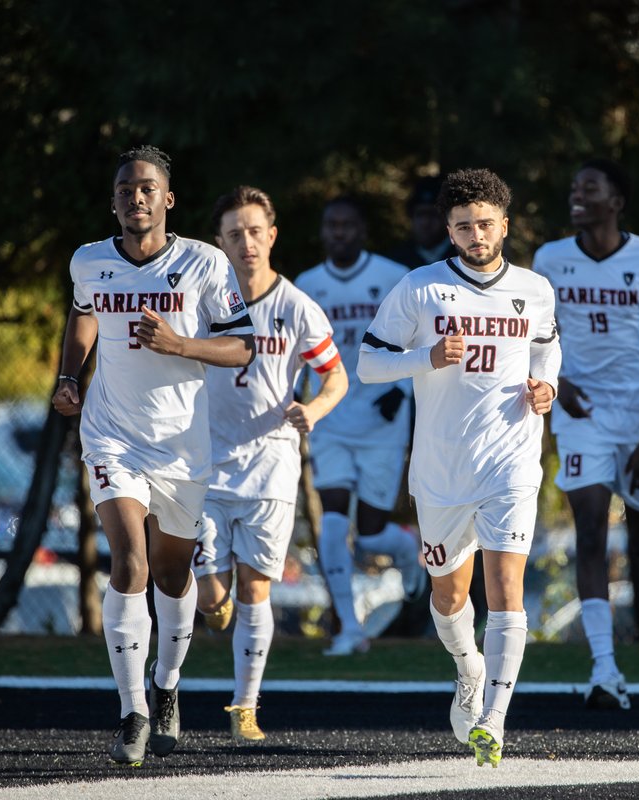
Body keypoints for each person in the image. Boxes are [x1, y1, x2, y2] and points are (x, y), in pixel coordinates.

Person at [51, 146, 254, 765]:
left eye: (146, 189)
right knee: (130, 562)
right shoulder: (90, 261)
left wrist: (179, 344)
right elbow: (83, 316)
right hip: (111, 434)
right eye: (124, 190)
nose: (134, 198)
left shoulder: (204, 262)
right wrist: (69, 376)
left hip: (181, 445)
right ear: (113, 201)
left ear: (168, 198)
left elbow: (243, 347)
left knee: (171, 574)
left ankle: (167, 685)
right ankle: (132, 710)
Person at [359, 167, 560, 768]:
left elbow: (547, 344)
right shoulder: (420, 288)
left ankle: (494, 719)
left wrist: (546, 385)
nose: (477, 235)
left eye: (486, 224)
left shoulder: (534, 289)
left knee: (506, 589)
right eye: (464, 226)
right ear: (449, 231)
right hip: (442, 469)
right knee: (448, 597)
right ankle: (468, 666)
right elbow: (368, 364)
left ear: (506, 225)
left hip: (512, 460)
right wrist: (425, 356)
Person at [193, 185, 348, 741]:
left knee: (256, 587)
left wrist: (315, 409)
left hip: (271, 468)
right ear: (219, 242)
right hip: (206, 464)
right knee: (212, 599)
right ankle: (212, 612)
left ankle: (245, 707)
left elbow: (335, 376)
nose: (247, 243)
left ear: (272, 235)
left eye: (255, 231)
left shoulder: (296, 306)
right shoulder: (202, 301)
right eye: (235, 233)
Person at [532, 158, 639, 710]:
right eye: (575, 188)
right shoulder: (549, 259)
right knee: (591, 531)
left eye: (590, 189)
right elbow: (534, 337)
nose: (577, 196)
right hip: (581, 416)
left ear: (617, 202)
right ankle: (604, 668)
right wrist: (557, 382)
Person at [295, 196, 422, 656]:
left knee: (369, 534)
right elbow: (296, 350)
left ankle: (407, 551)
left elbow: (422, 335)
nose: (339, 233)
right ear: (323, 233)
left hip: (382, 422)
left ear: (363, 231)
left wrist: (402, 388)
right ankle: (350, 627)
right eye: (332, 225)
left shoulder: (394, 277)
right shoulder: (307, 285)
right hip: (330, 417)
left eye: (347, 225)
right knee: (332, 526)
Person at [386, 175, 458, 268]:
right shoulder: (395, 260)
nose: (425, 222)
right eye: (420, 214)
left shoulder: (464, 256)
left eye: (433, 214)